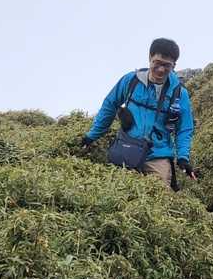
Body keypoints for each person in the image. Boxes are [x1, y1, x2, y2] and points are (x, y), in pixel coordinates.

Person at [81, 38, 199, 188]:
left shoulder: (179, 93)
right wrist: (92, 135)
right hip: (126, 147)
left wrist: (183, 158)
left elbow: (184, 128)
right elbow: (109, 105)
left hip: (157, 154)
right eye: (157, 62)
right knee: (116, 190)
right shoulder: (130, 80)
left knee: (159, 194)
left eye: (167, 65)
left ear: (174, 65)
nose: (161, 69)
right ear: (150, 58)